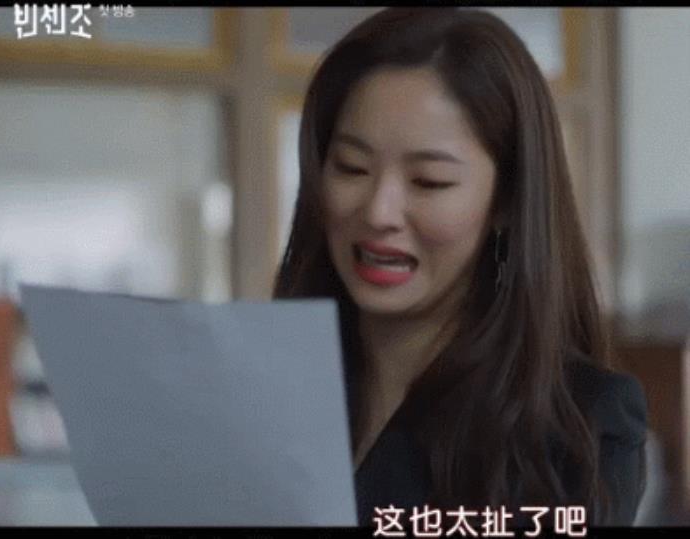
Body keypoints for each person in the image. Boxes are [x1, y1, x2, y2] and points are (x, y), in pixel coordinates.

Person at [273, 7, 647, 528]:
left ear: (506, 202)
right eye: (352, 168)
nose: (378, 212)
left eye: (428, 181)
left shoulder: (579, 427)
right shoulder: (263, 395)